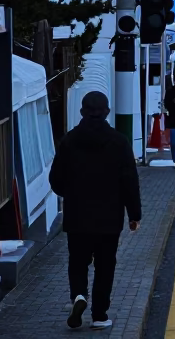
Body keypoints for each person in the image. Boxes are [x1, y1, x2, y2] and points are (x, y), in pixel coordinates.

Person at [49, 90, 141, 331]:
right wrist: (134, 214)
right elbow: (129, 180)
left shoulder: (69, 141)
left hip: (77, 216)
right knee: (105, 265)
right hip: (109, 218)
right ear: (107, 112)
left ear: (82, 112)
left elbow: (56, 179)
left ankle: (79, 296)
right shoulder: (119, 142)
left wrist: (70, 193)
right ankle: (99, 314)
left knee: (78, 262)